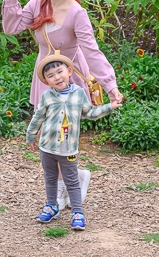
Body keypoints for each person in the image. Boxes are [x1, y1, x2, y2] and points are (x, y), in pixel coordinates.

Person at [1, 0, 124, 208]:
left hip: (69, 80)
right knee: (48, 137)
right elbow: (11, 27)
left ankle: (65, 186)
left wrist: (110, 86)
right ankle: (74, 179)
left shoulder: (77, 13)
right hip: (46, 78)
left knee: (62, 136)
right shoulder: (38, 3)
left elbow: (92, 51)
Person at [27, 55, 117, 230]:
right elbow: (38, 117)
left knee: (72, 180)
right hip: (47, 147)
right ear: (46, 81)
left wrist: (109, 107)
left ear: (69, 71)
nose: (57, 77)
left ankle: (77, 211)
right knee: (50, 178)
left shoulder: (78, 93)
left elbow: (90, 112)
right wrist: (31, 136)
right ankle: (52, 205)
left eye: (60, 72)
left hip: (68, 149)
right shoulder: (47, 96)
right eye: (51, 75)